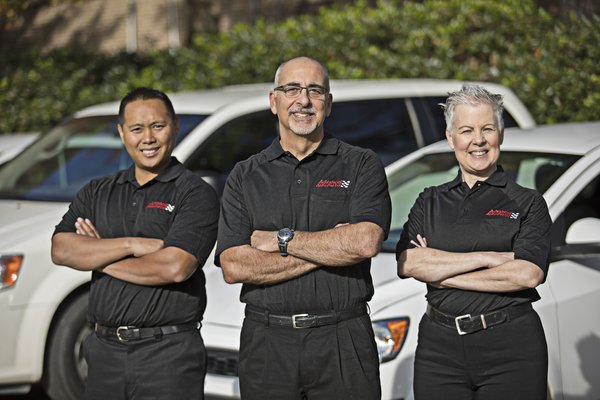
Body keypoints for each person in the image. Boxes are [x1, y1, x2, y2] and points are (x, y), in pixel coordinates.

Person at [216, 56, 391, 400]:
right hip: (268, 343)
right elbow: (235, 266)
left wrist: (282, 240)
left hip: (343, 339)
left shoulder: (361, 164)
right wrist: (333, 246)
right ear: (274, 101)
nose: (304, 100)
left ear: (329, 103)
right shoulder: (245, 175)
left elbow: (365, 242)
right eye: (292, 89)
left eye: (315, 91)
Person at [51, 87, 219, 400]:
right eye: (137, 129)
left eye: (158, 126)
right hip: (103, 354)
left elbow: (174, 267)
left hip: (167, 355)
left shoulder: (195, 194)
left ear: (175, 126)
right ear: (121, 132)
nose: (148, 138)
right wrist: (132, 244)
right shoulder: (98, 191)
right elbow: (61, 249)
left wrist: (98, 253)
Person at [396, 84, 552, 399]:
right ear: (450, 137)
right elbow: (408, 263)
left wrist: (441, 273)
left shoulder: (528, 202)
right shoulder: (429, 201)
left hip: (511, 349)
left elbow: (527, 274)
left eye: (487, 129)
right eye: (466, 130)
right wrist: (490, 257)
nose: (478, 140)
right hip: (438, 351)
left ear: (501, 134)